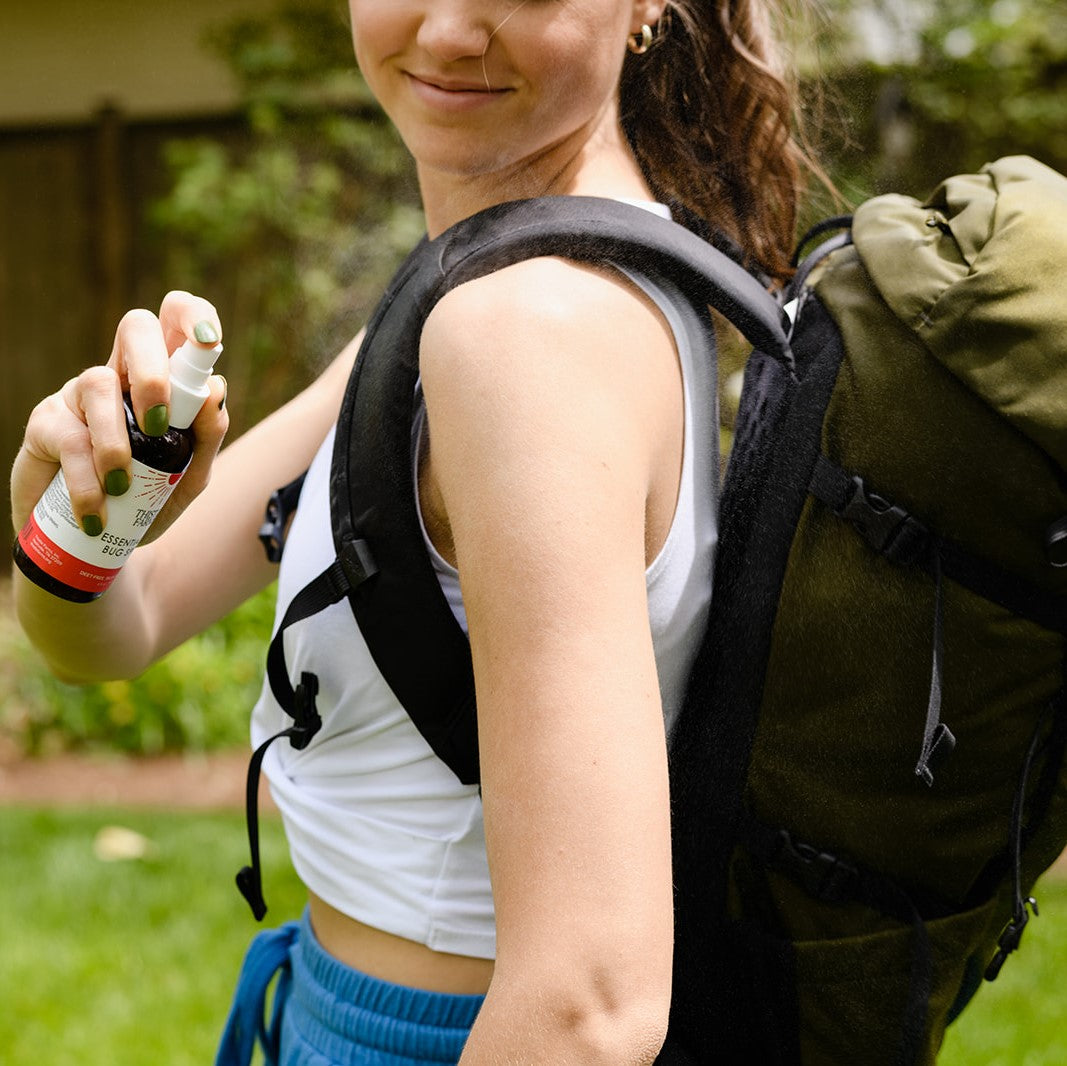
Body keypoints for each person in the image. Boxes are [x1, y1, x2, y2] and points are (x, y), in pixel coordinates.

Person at [10, 1, 819, 1062]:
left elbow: (585, 1008)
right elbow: (129, 622)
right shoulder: (494, 282)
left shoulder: (524, 332)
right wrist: (74, 517)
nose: (445, 32)